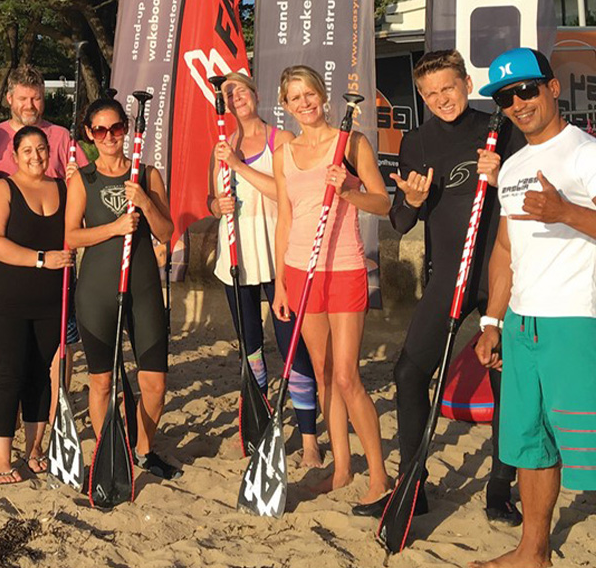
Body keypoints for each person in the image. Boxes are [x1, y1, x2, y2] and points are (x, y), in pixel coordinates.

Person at [470, 48, 596, 568]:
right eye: (505, 97)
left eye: (526, 90)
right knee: (529, 444)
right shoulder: (516, 164)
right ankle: (533, 549)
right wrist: (493, 320)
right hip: (523, 324)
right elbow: (505, 249)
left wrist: (565, 211)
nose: (518, 103)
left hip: (577, 321)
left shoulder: (584, 153)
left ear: (552, 88)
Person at [387, 49, 521, 524]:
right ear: (421, 97)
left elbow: (533, 198)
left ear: (466, 82)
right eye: (430, 93)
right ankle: (412, 483)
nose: (441, 98)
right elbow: (401, 221)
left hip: (502, 275)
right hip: (450, 276)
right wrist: (413, 200)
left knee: (509, 382)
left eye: (449, 87)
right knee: (408, 374)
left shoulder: (501, 128)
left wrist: (504, 177)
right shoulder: (417, 143)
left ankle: (500, 488)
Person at [272, 65, 392, 509]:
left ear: (323, 96)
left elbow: (382, 203)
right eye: (294, 97)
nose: (304, 103)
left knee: (346, 376)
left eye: (310, 94)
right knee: (323, 374)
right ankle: (342, 469)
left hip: (342, 267)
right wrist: (282, 282)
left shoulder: (351, 144)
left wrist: (349, 190)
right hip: (300, 271)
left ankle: (378, 475)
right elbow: (286, 217)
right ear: (284, 106)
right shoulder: (286, 152)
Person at [206, 71, 321, 468]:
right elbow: (212, 198)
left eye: (240, 90)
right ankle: (260, 431)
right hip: (236, 260)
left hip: (277, 258)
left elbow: (284, 193)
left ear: (256, 95)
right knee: (251, 352)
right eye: (227, 94)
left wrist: (238, 164)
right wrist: (214, 205)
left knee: (294, 349)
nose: (235, 97)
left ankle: (309, 441)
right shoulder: (222, 146)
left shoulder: (282, 141)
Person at [66, 97, 180, 480]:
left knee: (155, 383)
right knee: (101, 382)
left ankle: (145, 451)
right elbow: (70, 236)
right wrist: (114, 228)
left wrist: (145, 202)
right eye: (100, 130)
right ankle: (109, 453)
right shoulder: (82, 179)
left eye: (116, 128)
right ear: (89, 135)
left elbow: (166, 233)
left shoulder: (147, 175)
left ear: (126, 129)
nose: (109, 136)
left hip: (143, 287)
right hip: (98, 291)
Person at [0, 126, 72, 484]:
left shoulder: (63, 188)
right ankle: (2, 460)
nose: (36, 156)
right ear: (15, 156)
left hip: (49, 301)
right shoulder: (3, 189)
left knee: (39, 373)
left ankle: (34, 450)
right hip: (3, 299)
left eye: (42, 148)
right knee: (8, 374)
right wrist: (42, 259)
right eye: (27, 150)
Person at [0, 65, 71, 178]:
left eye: (36, 99)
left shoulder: (62, 137)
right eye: (22, 99)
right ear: (9, 98)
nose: (29, 106)